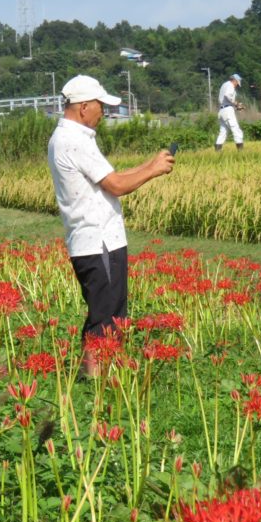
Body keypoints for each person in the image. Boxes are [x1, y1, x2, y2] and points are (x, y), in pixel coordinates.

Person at [47, 75, 173, 376]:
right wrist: (153, 171)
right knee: (104, 316)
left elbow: (109, 177)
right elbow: (116, 185)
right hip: (96, 240)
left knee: (112, 312)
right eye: (101, 106)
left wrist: (149, 164)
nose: (103, 112)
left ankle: (103, 374)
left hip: (100, 239)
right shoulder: (73, 141)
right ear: (84, 107)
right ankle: (93, 381)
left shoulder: (71, 138)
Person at [215, 73, 245, 152]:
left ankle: (217, 152)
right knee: (236, 130)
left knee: (223, 132)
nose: (237, 86)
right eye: (237, 84)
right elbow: (227, 95)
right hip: (228, 111)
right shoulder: (230, 86)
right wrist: (236, 104)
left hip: (222, 110)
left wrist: (235, 106)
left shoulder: (224, 85)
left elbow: (225, 98)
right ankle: (241, 152)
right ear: (234, 81)